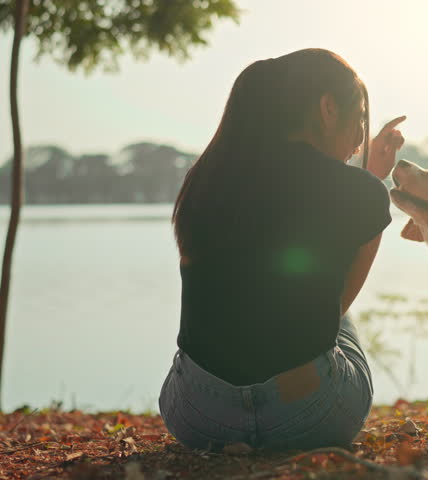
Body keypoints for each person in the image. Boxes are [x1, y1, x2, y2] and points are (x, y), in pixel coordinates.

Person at [159, 48, 405, 451]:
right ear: (327, 108)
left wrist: (365, 178)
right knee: (340, 321)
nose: (360, 137)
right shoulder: (362, 193)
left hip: (197, 415)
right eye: (359, 119)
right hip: (308, 414)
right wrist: (371, 183)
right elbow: (336, 304)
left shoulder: (207, 181)